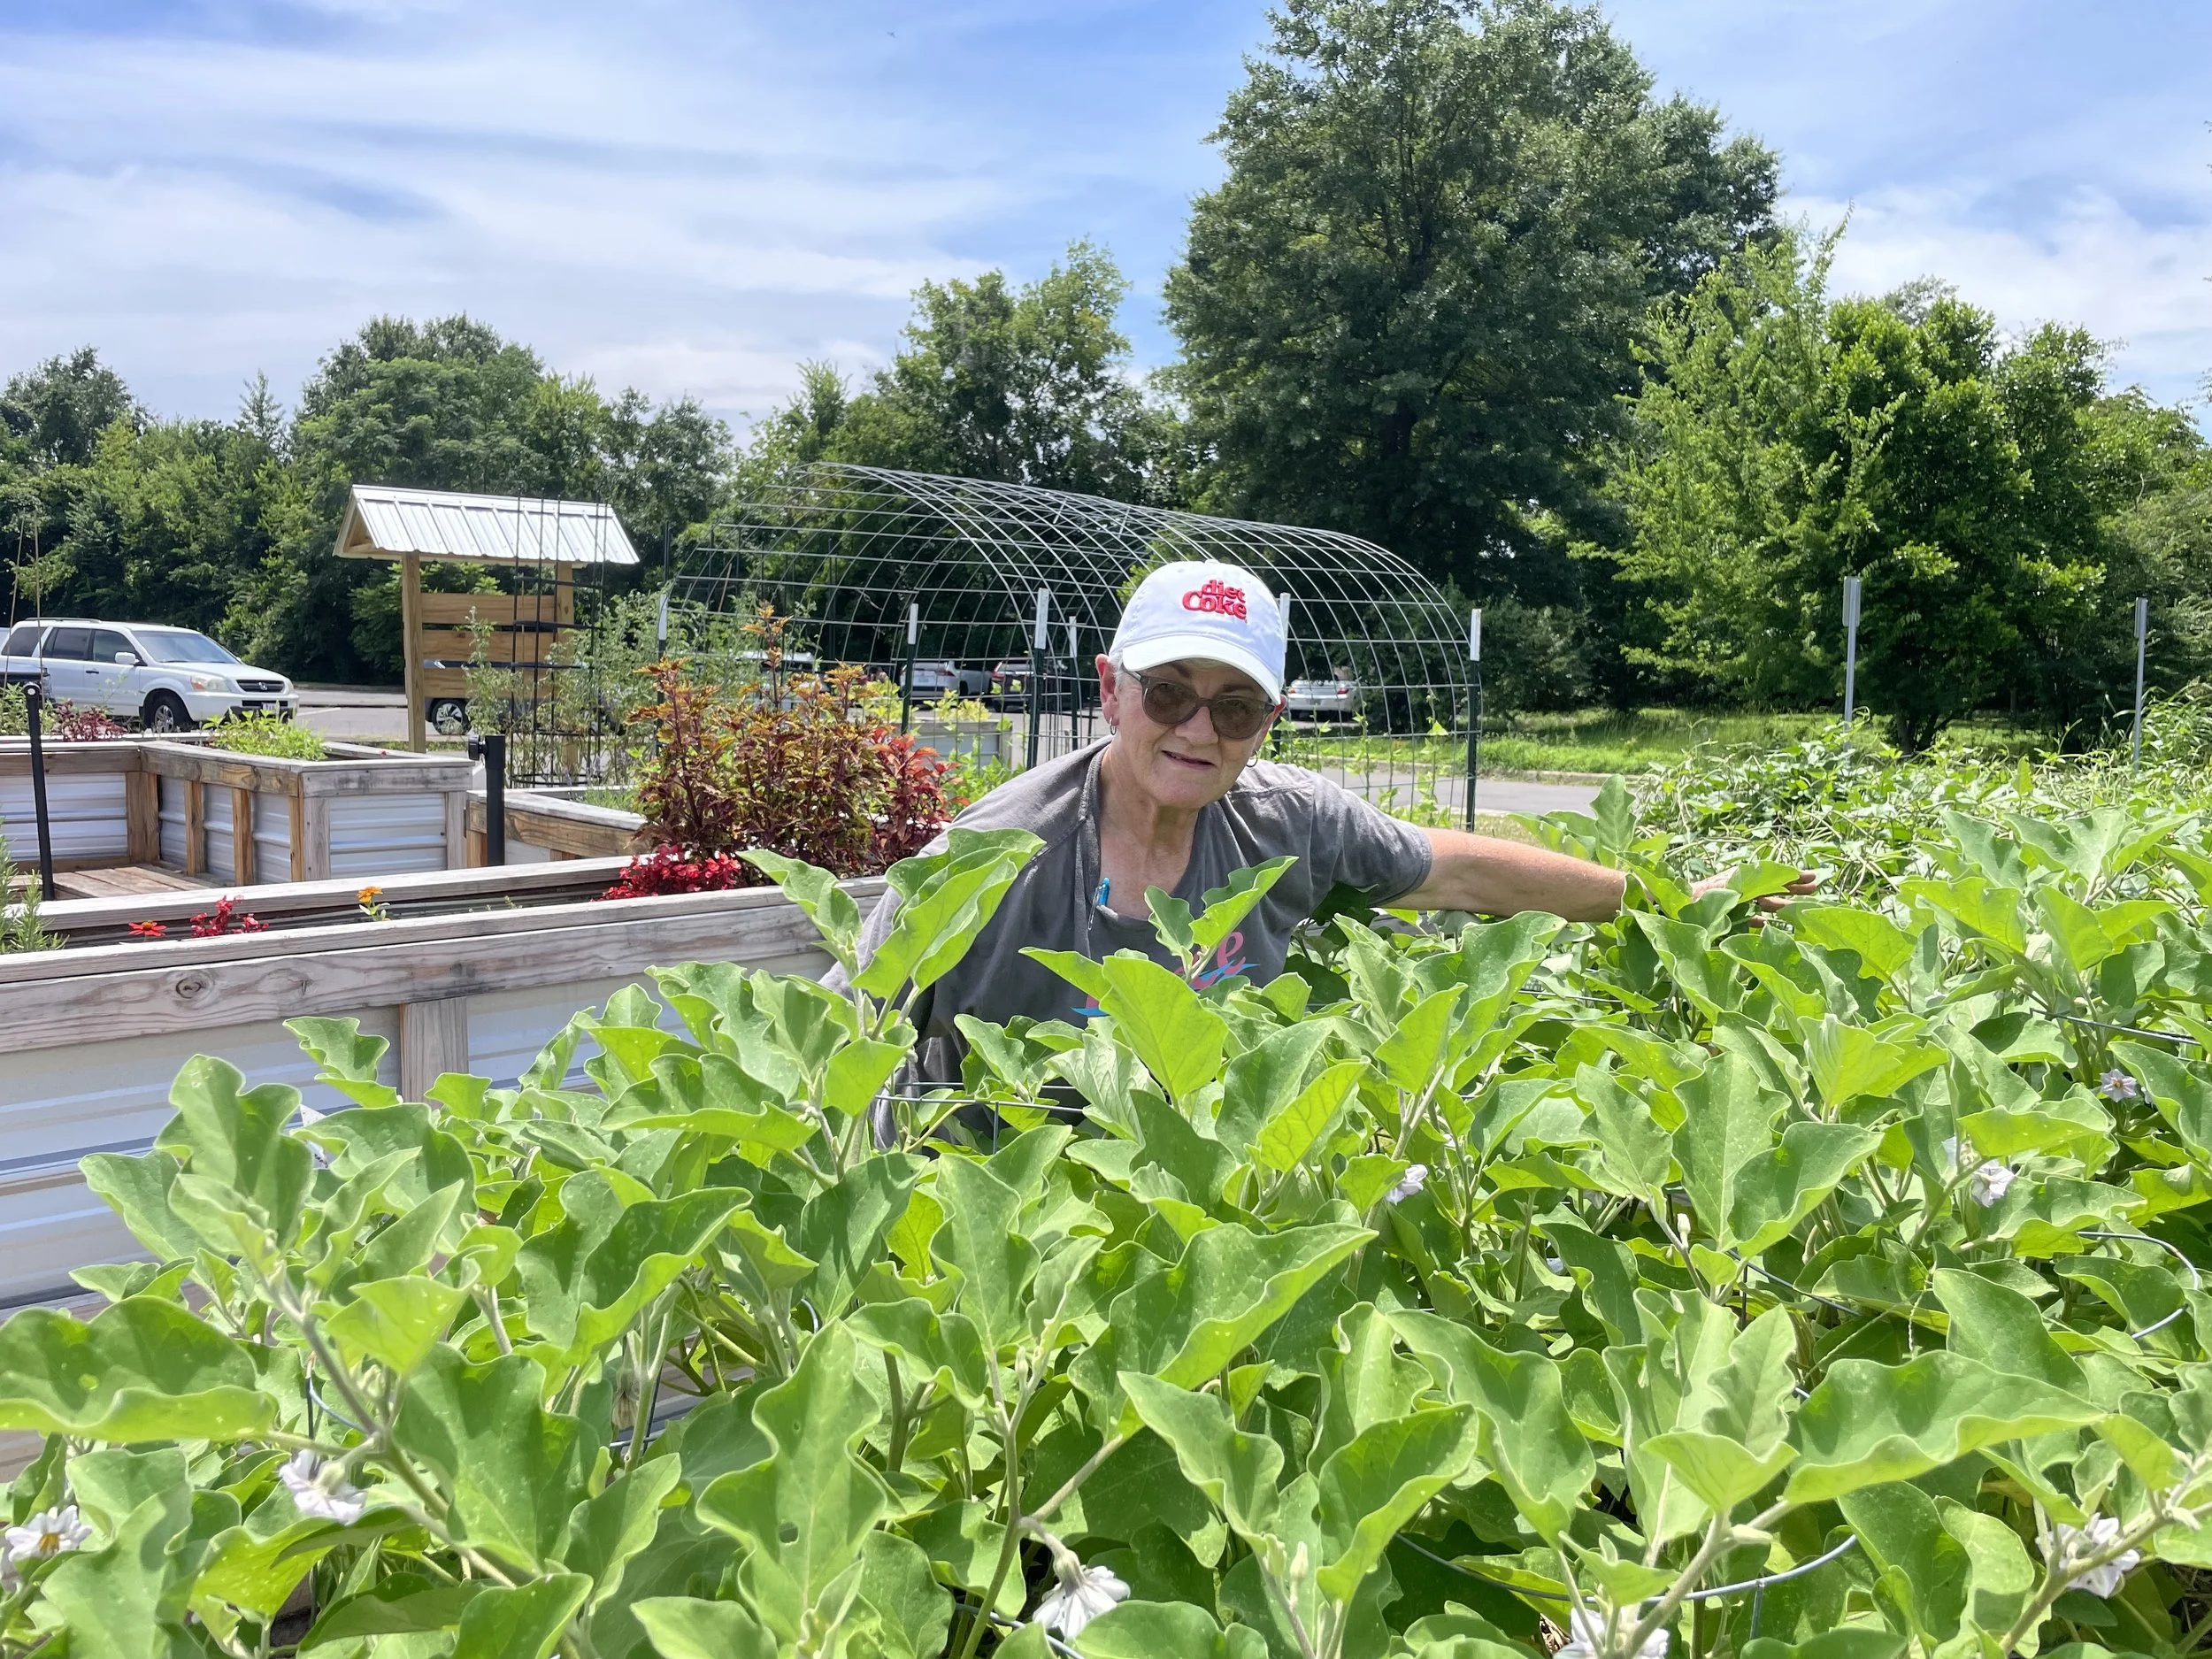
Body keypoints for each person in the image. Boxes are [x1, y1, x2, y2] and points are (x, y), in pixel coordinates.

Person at [842, 559, 1754, 1066]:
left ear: (1269, 722)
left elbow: (1459, 869)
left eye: (1234, 707)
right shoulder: (992, 854)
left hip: (1207, 1188)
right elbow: (842, 1037)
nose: (1198, 729)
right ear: (1110, 694)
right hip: (997, 1208)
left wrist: (1674, 904)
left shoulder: (1285, 821)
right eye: (1168, 694)